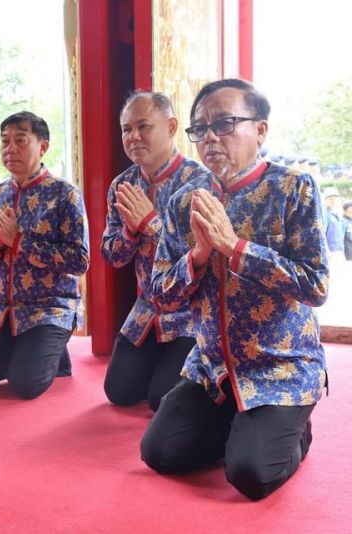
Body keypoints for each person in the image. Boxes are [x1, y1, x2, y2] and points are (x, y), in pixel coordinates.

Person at [141, 79, 329, 500]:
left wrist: (235, 248)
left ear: (260, 130)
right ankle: (244, 423)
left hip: (279, 366)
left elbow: (315, 286)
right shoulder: (182, 202)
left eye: (224, 123)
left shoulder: (292, 190)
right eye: (200, 128)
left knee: (250, 475)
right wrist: (199, 256)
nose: (209, 137)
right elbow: (161, 295)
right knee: (159, 452)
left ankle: (293, 427)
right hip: (212, 367)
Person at [0, 111, 89, 400]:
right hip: (1, 310)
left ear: (42, 146)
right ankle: (24, 349)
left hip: (49, 307)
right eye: (5, 141)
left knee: (25, 384)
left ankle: (49, 350)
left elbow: (80, 261)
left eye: (20, 140)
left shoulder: (65, 195)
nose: (10, 149)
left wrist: (19, 241)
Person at [101, 92, 205, 411]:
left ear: (171, 126)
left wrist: (151, 223)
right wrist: (131, 230)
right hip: (147, 309)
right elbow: (112, 256)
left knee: (161, 399)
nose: (133, 137)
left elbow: (205, 254)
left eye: (143, 126)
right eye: (126, 129)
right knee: (118, 391)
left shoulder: (199, 182)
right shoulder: (123, 185)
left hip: (192, 312)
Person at [322, 186, 344, 260]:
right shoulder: (325, 214)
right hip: (331, 252)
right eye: (331, 199)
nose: (333, 201)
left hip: (339, 250)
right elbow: (322, 234)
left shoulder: (336, 214)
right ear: (325, 200)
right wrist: (328, 253)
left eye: (335, 199)